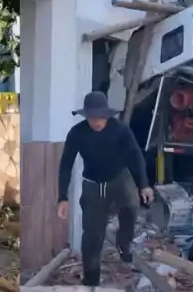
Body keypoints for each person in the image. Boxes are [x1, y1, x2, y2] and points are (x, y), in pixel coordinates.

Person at [57, 91, 154, 287]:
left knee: (131, 207)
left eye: (101, 117)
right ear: (86, 116)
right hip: (93, 184)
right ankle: (91, 279)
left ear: (107, 115)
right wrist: (62, 197)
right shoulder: (77, 133)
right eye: (92, 117)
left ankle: (123, 244)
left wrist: (143, 184)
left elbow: (135, 155)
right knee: (93, 235)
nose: (97, 122)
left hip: (120, 177)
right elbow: (66, 164)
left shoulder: (120, 129)